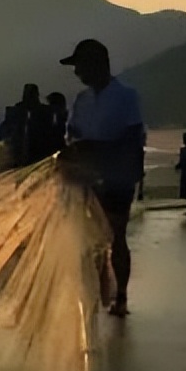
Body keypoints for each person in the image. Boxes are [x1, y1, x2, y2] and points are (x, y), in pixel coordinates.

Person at [59, 39, 144, 317]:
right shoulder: (82, 100)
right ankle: (97, 291)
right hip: (86, 179)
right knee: (92, 238)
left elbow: (133, 138)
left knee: (116, 235)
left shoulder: (125, 96)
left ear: (97, 64)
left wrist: (97, 149)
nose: (76, 73)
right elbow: (72, 133)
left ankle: (121, 296)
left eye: (80, 66)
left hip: (117, 178)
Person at [17, 84, 55, 165]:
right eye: (27, 94)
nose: (29, 97)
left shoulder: (45, 111)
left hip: (40, 150)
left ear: (37, 95)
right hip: (20, 152)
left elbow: (48, 133)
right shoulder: (18, 109)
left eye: (31, 94)